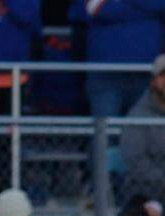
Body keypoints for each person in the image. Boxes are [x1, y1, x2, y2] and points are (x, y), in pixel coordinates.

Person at [70, 0, 165, 119]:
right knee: (104, 134)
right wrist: (146, 12)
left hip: (147, 74)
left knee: (145, 134)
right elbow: (93, 8)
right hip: (105, 74)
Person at [120, 55, 165, 202]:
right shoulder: (138, 116)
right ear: (153, 81)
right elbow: (135, 160)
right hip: (147, 194)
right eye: (163, 75)